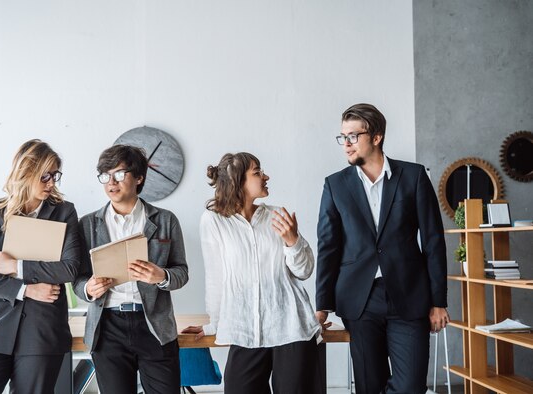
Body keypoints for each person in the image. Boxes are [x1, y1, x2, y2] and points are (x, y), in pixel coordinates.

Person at [315, 103, 449, 394]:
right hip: (359, 301)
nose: (346, 144)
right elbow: (328, 246)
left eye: (353, 136)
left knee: (411, 386)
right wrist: (322, 305)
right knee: (368, 386)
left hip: (410, 296)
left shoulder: (413, 177)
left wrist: (439, 301)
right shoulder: (335, 185)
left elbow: (433, 240)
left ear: (376, 137)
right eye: (342, 137)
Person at [182, 152, 322, 394]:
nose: (265, 176)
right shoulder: (213, 220)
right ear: (237, 181)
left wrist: (293, 241)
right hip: (244, 330)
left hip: (290, 327)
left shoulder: (277, 216)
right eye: (257, 172)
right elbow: (216, 277)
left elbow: (305, 270)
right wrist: (214, 324)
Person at [0, 139, 82, 394]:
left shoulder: (65, 212)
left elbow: (70, 268)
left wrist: (17, 266)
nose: (51, 183)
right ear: (25, 172)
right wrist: (25, 289)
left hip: (42, 332)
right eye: (45, 176)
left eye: (55, 175)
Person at [72, 144, 188, 394]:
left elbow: (182, 273)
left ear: (139, 178)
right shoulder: (87, 224)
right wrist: (89, 289)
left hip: (154, 325)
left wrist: (162, 276)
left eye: (119, 174)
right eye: (105, 175)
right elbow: (78, 279)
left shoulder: (165, 220)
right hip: (107, 327)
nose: (111, 182)